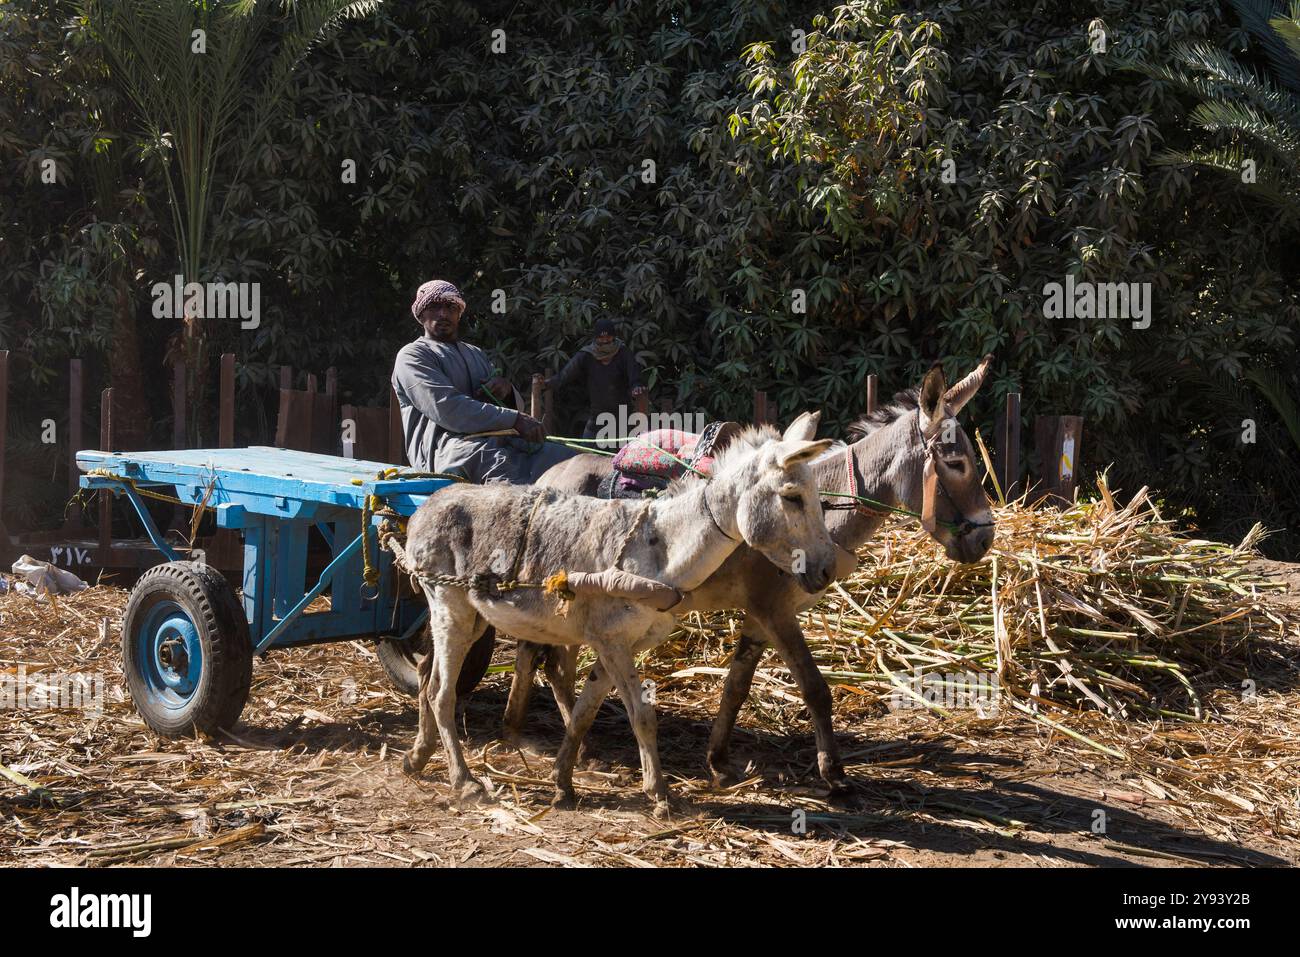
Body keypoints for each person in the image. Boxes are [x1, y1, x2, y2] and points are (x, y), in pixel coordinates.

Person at [391, 279, 574, 483]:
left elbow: (502, 408)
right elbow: (448, 410)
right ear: (420, 314)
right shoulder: (413, 355)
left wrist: (506, 391)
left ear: (459, 313)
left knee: (564, 458)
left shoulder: (475, 354)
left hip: (494, 440)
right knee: (507, 474)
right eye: (434, 307)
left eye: (450, 307)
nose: (443, 314)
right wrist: (514, 419)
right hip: (446, 449)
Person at [540, 317, 645, 440]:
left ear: (614, 337)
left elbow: (634, 375)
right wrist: (547, 384)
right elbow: (566, 374)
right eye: (601, 337)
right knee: (585, 451)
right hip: (597, 415)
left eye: (609, 337)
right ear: (596, 338)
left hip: (622, 415)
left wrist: (636, 386)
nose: (605, 340)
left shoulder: (623, 352)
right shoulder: (587, 355)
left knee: (622, 454)